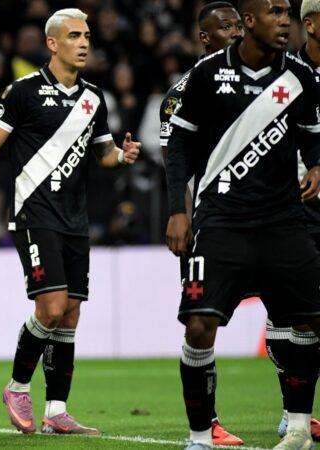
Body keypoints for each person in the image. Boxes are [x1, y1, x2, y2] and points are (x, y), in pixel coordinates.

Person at [0, 8, 141, 436]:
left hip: (75, 219)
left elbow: (104, 154)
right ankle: (18, 386)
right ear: (53, 44)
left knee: (71, 313)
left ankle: (57, 409)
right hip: (33, 214)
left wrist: (122, 157)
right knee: (52, 306)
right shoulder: (20, 92)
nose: (84, 43)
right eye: (74, 35)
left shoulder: (94, 98)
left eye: (88, 36)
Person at [164, 0, 320, 448]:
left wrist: (316, 166)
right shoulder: (208, 75)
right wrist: (179, 209)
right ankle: (199, 436)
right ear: (249, 21)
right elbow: (177, 147)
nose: (285, 20)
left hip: (283, 223)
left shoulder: (300, 76)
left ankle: (297, 426)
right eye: (274, 12)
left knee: (310, 321)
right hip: (221, 223)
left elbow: (312, 137)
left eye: (287, 12)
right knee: (198, 326)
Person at [159, 2, 245, 446]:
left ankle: (296, 414)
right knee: (200, 322)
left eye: (238, 24)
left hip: (267, 217)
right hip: (209, 220)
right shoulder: (182, 94)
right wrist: (183, 214)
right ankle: (205, 424)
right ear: (205, 38)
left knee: (295, 313)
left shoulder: (266, 83)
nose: (235, 31)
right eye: (225, 27)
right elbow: (177, 162)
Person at [267, 0, 320, 441]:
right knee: (291, 316)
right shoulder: (283, 74)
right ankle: (295, 413)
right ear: (311, 24)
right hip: (295, 208)